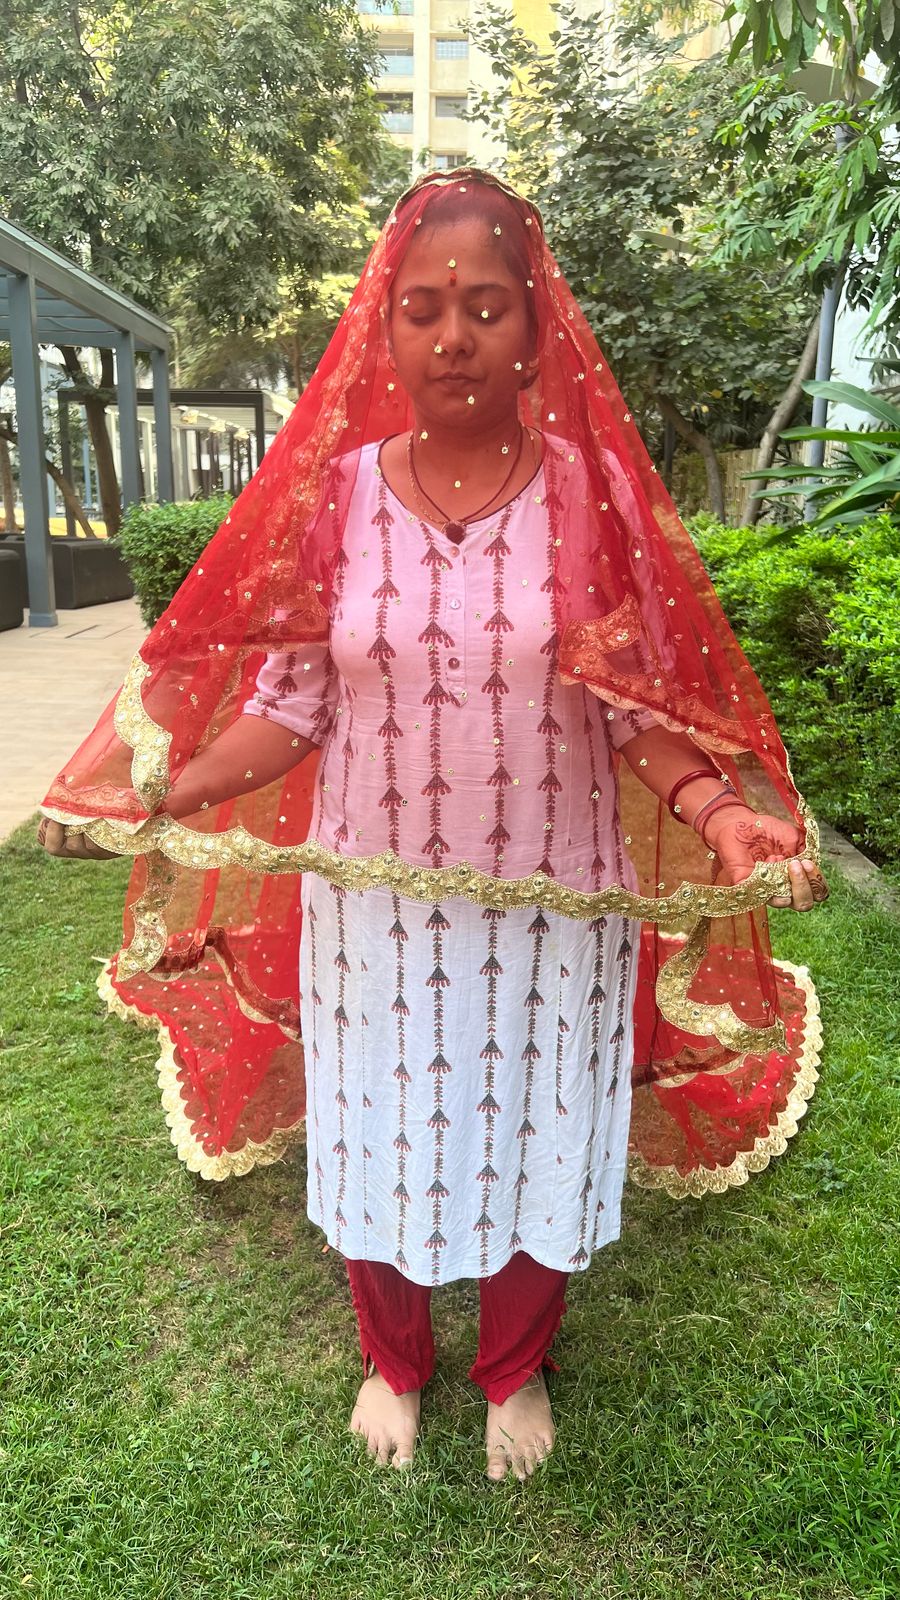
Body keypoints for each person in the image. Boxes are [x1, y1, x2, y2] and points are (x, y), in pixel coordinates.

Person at [38, 168, 828, 1482]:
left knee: (535, 1112)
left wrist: (716, 810)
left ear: (535, 327)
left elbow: (633, 710)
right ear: (384, 328)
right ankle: (393, 1357)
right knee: (381, 1122)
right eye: (422, 309)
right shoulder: (337, 498)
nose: (453, 336)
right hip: (377, 909)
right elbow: (288, 708)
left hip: (549, 900)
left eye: (485, 307)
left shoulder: (585, 495)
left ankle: (514, 1366)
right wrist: (161, 792)